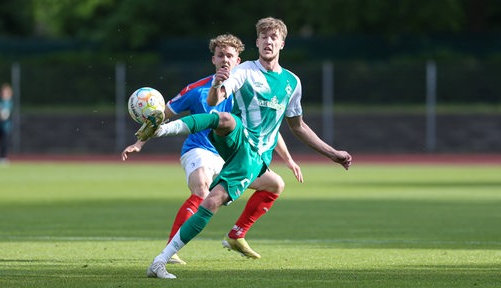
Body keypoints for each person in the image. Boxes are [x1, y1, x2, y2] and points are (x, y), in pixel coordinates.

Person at [138, 17, 352, 279]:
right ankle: (160, 130)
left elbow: (298, 127)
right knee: (225, 119)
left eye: (273, 37)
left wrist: (334, 154)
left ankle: (163, 259)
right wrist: (217, 83)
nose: (268, 41)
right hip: (236, 139)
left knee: (217, 199)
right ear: (257, 42)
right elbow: (215, 100)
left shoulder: (292, 83)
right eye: (263, 36)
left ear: (282, 43)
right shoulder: (245, 71)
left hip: (253, 157)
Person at [122, 34, 303, 265]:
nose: (225, 60)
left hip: (232, 156)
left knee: (275, 184)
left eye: (230, 56)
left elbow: (268, 129)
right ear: (213, 60)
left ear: (238, 61)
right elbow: (160, 117)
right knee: (202, 190)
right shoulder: (196, 89)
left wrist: (288, 160)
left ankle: (237, 234)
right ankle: (171, 249)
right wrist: (139, 143)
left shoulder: (247, 87)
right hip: (199, 151)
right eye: (221, 56)